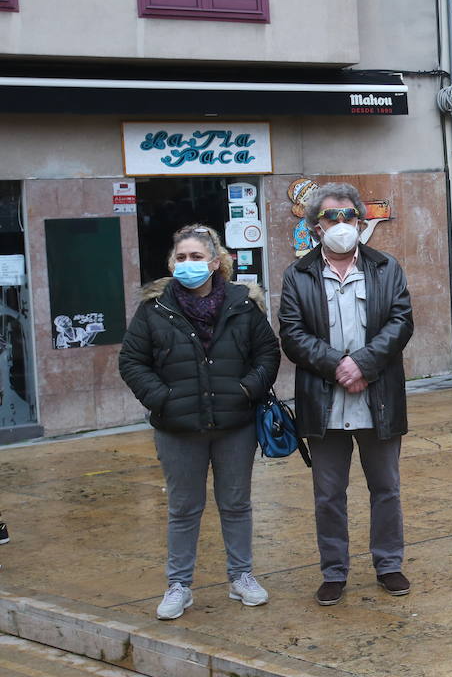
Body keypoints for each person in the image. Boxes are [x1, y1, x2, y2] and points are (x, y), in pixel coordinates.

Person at [118, 225, 280, 620]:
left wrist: (245, 390)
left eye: (196, 257)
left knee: (236, 503)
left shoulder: (243, 305)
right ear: (172, 263)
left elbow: (268, 354)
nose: (188, 264)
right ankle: (178, 585)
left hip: (235, 426)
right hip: (177, 428)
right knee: (184, 508)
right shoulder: (154, 309)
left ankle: (241, 576)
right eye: (181, 258)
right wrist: (163, 399)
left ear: (214, 261)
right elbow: (131, 361)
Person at [279, 182, 415, 606]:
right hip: (324, 401)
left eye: (348, 216)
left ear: (360, 221)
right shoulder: (297, 273)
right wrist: (338, 365)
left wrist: (363, 364)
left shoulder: (385, 267)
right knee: (328, 495)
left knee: (386, 488)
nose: (341, 224)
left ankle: (389, 564)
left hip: (379, 397)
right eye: (331, 217)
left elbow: (401, 321)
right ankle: (334, 571)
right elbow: (291, 332)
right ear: (315, 227)